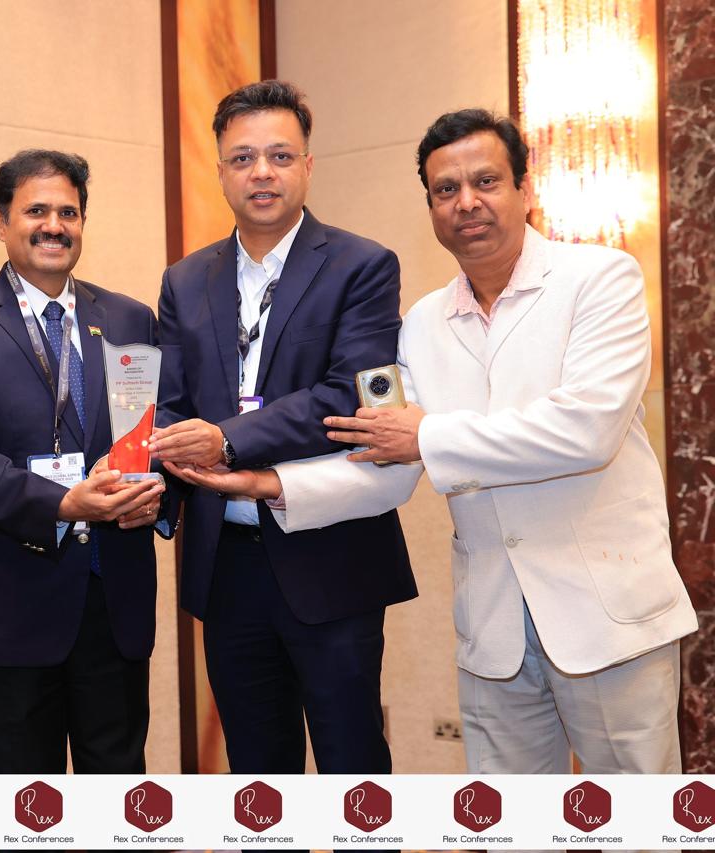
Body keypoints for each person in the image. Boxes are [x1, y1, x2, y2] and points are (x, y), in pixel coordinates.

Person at [174, 108, 698, 775]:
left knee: (633, 815)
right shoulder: (423, 321)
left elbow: (585, 431)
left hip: (607, 617)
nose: (466, 202)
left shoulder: (600, 279)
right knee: (508, 820)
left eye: (486, 181)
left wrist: (427, 434)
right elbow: (387, 461)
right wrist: (272, 484)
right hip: (494, 628)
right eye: (445, 189)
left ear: (525, 188)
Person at [149, 80, 417, 775]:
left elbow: (348, 393)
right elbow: (168, 403)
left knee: (352, 763)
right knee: (257, 773)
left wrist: (228, 440)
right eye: (242, 158)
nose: (261, 172)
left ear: (307, 165)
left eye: (279, 156)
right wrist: (150, 473)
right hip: (226, 562)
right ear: (220, 172)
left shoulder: (362, 266)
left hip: (331, 554)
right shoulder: (185, 281)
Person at [0, 149, 167, 773]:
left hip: (114, 597)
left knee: (120, 791)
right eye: (36, 211)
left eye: (68, 213)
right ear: (1, 222)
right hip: (14, 605)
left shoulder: (129, 319)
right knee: (28, 802)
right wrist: (63, 502)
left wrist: (158, 497)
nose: (54, 225)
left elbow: (156, 433)